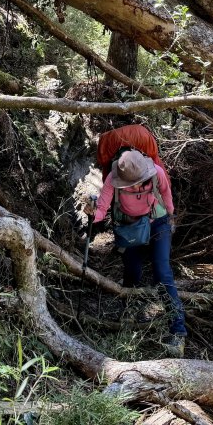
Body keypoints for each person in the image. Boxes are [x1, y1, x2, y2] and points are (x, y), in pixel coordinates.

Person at [88, 147, 187, 357]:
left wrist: (171, 216)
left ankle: (178, 331)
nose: (133, 186)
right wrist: (92, 213)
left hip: (158, 223)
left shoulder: (157, 173)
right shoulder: (113, 178)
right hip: (129, 226)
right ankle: (129, 311)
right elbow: (102, 207)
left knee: (162, 272)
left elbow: (166, 194)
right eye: (128, 183)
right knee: (132, 271)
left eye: (136, 182)